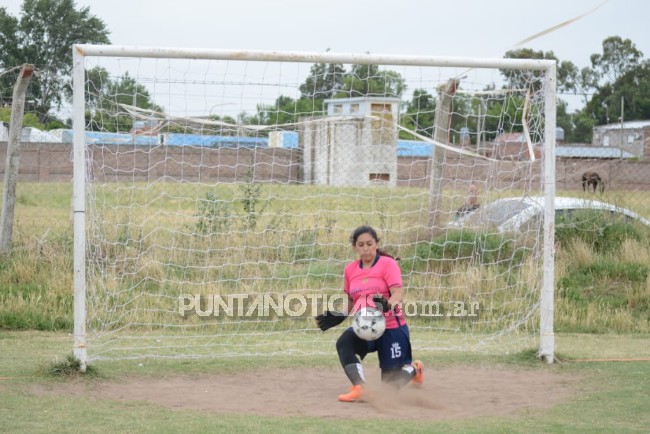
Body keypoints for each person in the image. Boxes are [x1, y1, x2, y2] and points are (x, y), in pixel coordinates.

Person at [315, 225, 423, 402]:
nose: (365, 248)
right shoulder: (350, 270)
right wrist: (341, 315)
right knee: (344, 343)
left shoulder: (388, 264)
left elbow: (398, 293)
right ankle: (360, 388)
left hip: (391, 328)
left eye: (369, 244)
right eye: (361, 245)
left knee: (389, 388)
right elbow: (350, 299)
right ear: (355, 247)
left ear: (376, 244)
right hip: (364, 326)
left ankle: (414, 368)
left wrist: (388, 304)